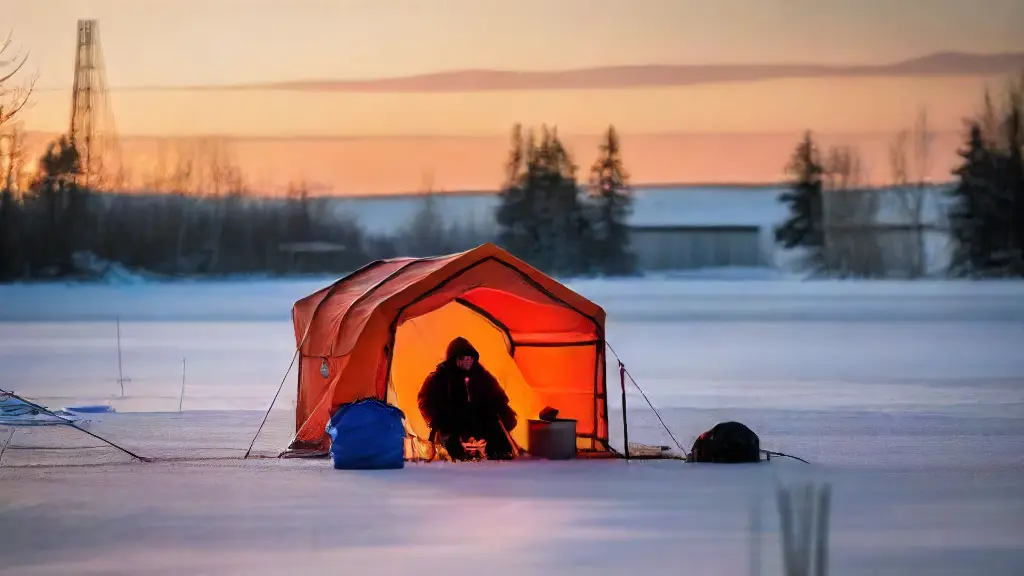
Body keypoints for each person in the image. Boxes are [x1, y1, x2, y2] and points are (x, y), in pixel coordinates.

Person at [417, 337, 518, 461]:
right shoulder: (439, 376)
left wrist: (505, 415)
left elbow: (498, 398)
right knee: (452, 443)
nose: (467, 361)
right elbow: (425, 400)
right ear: (454, 359)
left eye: (470, 358)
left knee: (499, 442)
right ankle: (457, 451)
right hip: (450, 421)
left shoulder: (482, 375)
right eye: (463, 358)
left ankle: (494, 451)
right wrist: (434, 420)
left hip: (477, 420)